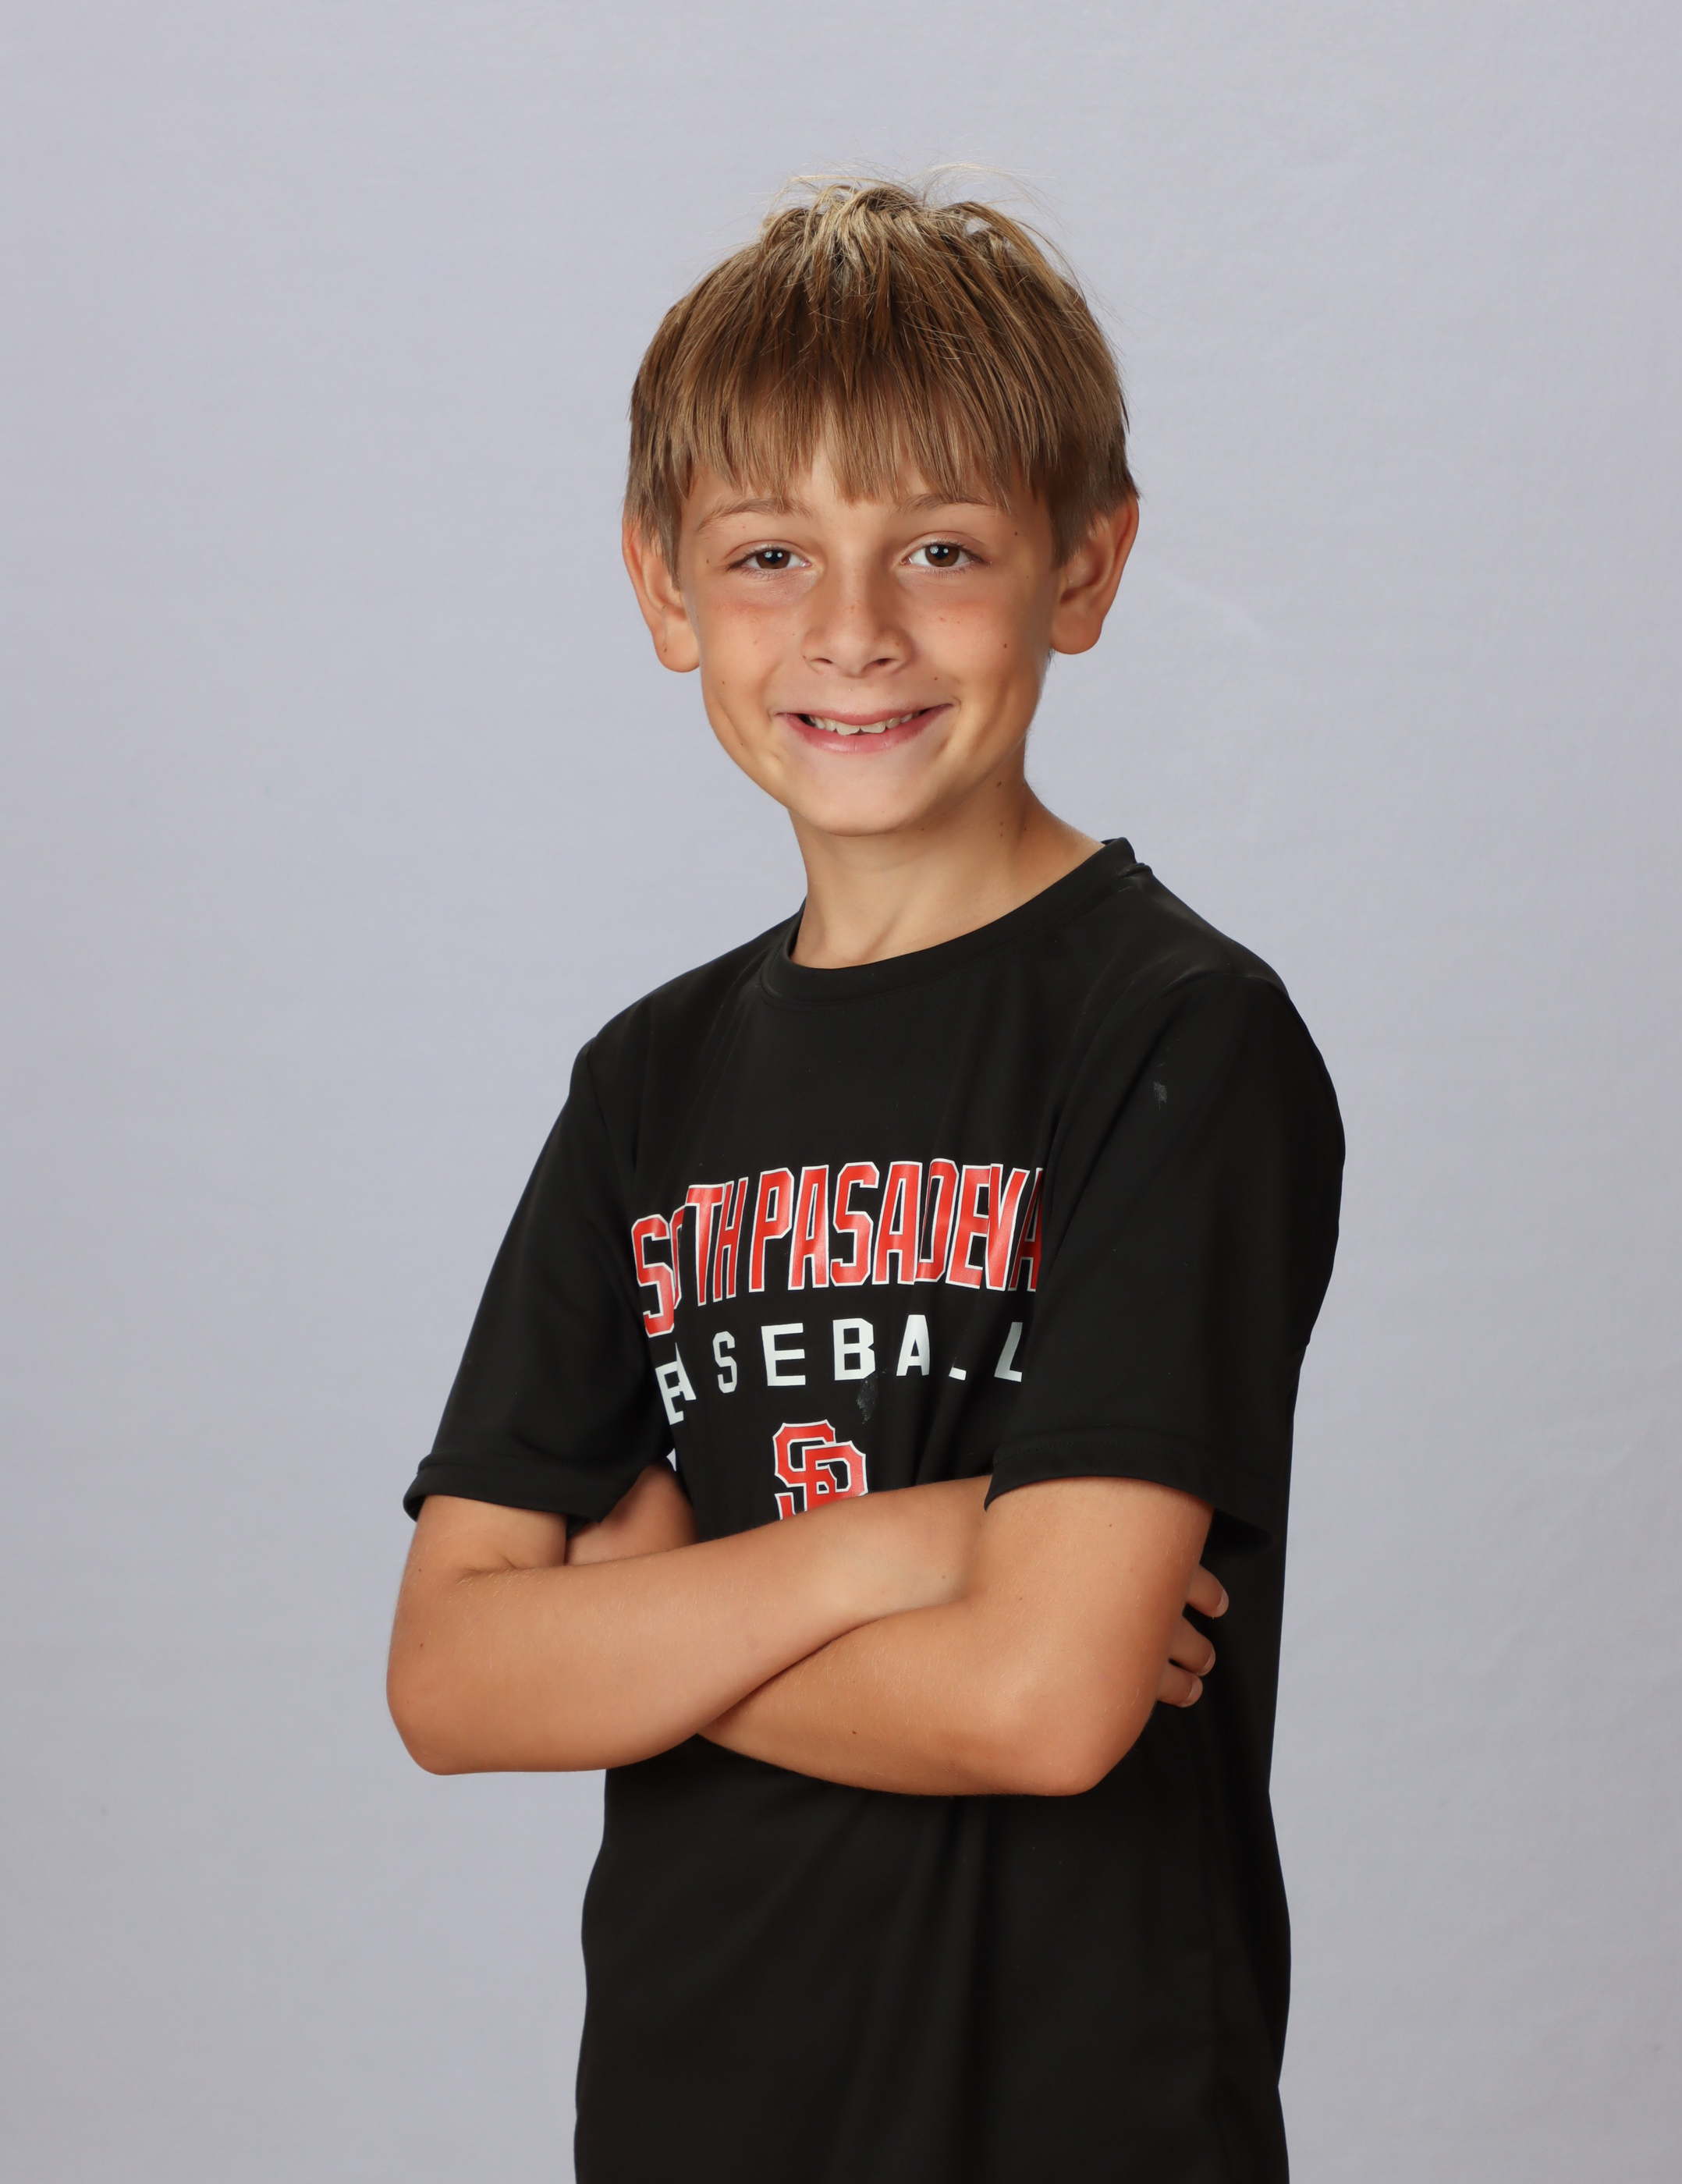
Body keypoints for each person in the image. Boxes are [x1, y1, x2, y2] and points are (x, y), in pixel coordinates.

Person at [389, 177, 1343, 2184]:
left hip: (1077, 2125)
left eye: (939, 546)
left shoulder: (1180, 1038)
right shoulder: (647, 1084)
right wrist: (901, 1546)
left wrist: (641, 1628)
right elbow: (454, 1676)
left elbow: (1044, 1699)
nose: (851, 630)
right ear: (664, 591)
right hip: (694, 2113)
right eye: (768, 553)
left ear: (1083, 564)